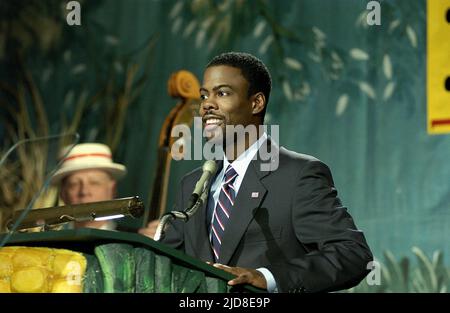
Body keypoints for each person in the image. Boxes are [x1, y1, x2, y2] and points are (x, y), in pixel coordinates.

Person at [141, 52, 373, 293]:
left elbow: (353, 254)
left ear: (256, 103)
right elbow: (165, 264)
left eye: (222, 93)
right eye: (204, 95)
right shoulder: (193, 184)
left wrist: (266, 278)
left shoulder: (297, 175)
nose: (207, 104)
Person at [51, 143, 127, 230]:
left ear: (112, 189)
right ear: (63, 194)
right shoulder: (48, 242)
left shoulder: (135, 241)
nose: (84, 191)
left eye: (94, 183)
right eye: (74, 184)